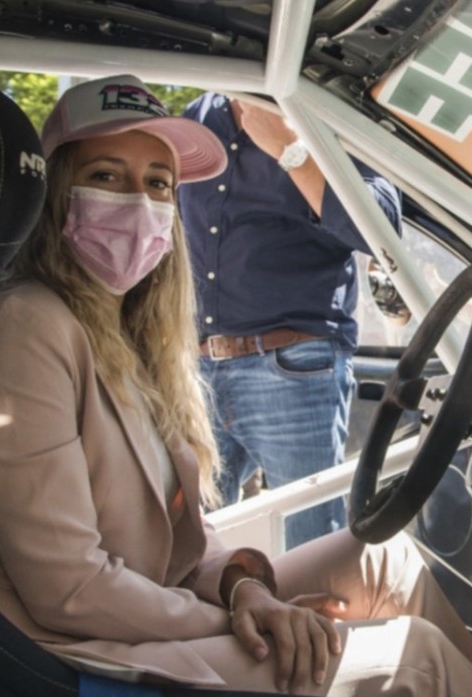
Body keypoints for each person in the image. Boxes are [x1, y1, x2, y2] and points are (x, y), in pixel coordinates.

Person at [0, 75, 472, 697]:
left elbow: (183, 539)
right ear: (56, 192)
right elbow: (69, 590)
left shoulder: (126, 335)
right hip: (71, 664)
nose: (137, 204)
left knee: (384, 556)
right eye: (106, 176)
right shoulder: (25, 327)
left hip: (147, 609)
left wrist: (244, 587)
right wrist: (244, 617)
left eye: (157, 184)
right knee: (418, 661)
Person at [179, 92, 402, 549]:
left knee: (311, 545)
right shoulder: (196, 118)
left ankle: (314, 622)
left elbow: (379, 232)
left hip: (294, 368)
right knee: (184, 542)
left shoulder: (330, 111)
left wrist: (290, 150)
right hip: (195, 369)